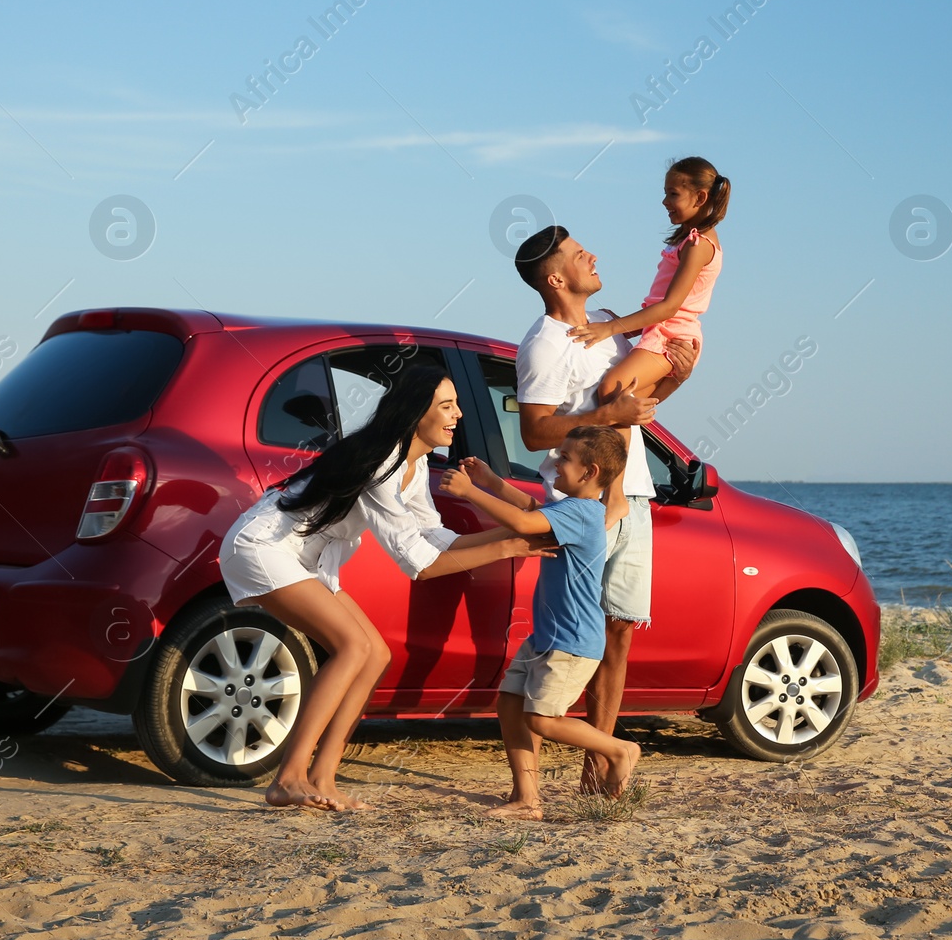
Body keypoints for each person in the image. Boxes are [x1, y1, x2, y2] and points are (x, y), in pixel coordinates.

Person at [219, 366, 547, 812]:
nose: (458, 415)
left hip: (305, 556)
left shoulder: (415, 465)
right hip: (264, 547)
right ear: (416, 414)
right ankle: (289, 778)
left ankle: (323, 777)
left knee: (376, 652)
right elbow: (419, 565)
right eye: (446, 406)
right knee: (352, 646)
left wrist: (521, 537)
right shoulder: (381, 462)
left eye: (455, 405)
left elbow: (436, 540)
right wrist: (509, 544)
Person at [512, 223, 697, 794]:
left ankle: (600, 772)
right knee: (558, 639)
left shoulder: (614, 333)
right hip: (579, 506)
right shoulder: (543, 343)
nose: (591, 255)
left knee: (619, 634)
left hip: (633, 496)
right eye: (576, 253)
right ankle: (530, 790)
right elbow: (535, 431)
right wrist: (609, 418)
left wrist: (672, 384)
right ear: (556, 277)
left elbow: (635, 412)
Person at [438, 426, 641, 819]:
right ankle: (526, 799)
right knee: (511, 705)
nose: (553, 462)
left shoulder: (582, 512)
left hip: (571, 641)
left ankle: (619, 749)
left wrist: (470, 492)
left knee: (542, 719)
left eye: (564, 457)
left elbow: (523, 523)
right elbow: (532, 512)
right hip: (546, 637)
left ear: (589, 472)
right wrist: (493, 481)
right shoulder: (576, 507)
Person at [565, 157, 728, 524]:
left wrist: (612, 328)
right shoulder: (688, 240)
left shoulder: (699, 245)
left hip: (674, 335)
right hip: (661, 329)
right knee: (627, 405)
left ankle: (616, 495)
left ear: (700, 197)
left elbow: (671, 307)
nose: (665, 201)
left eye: (673, 194)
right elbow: (661, 304)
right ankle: (608, 488)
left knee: (613, 389)